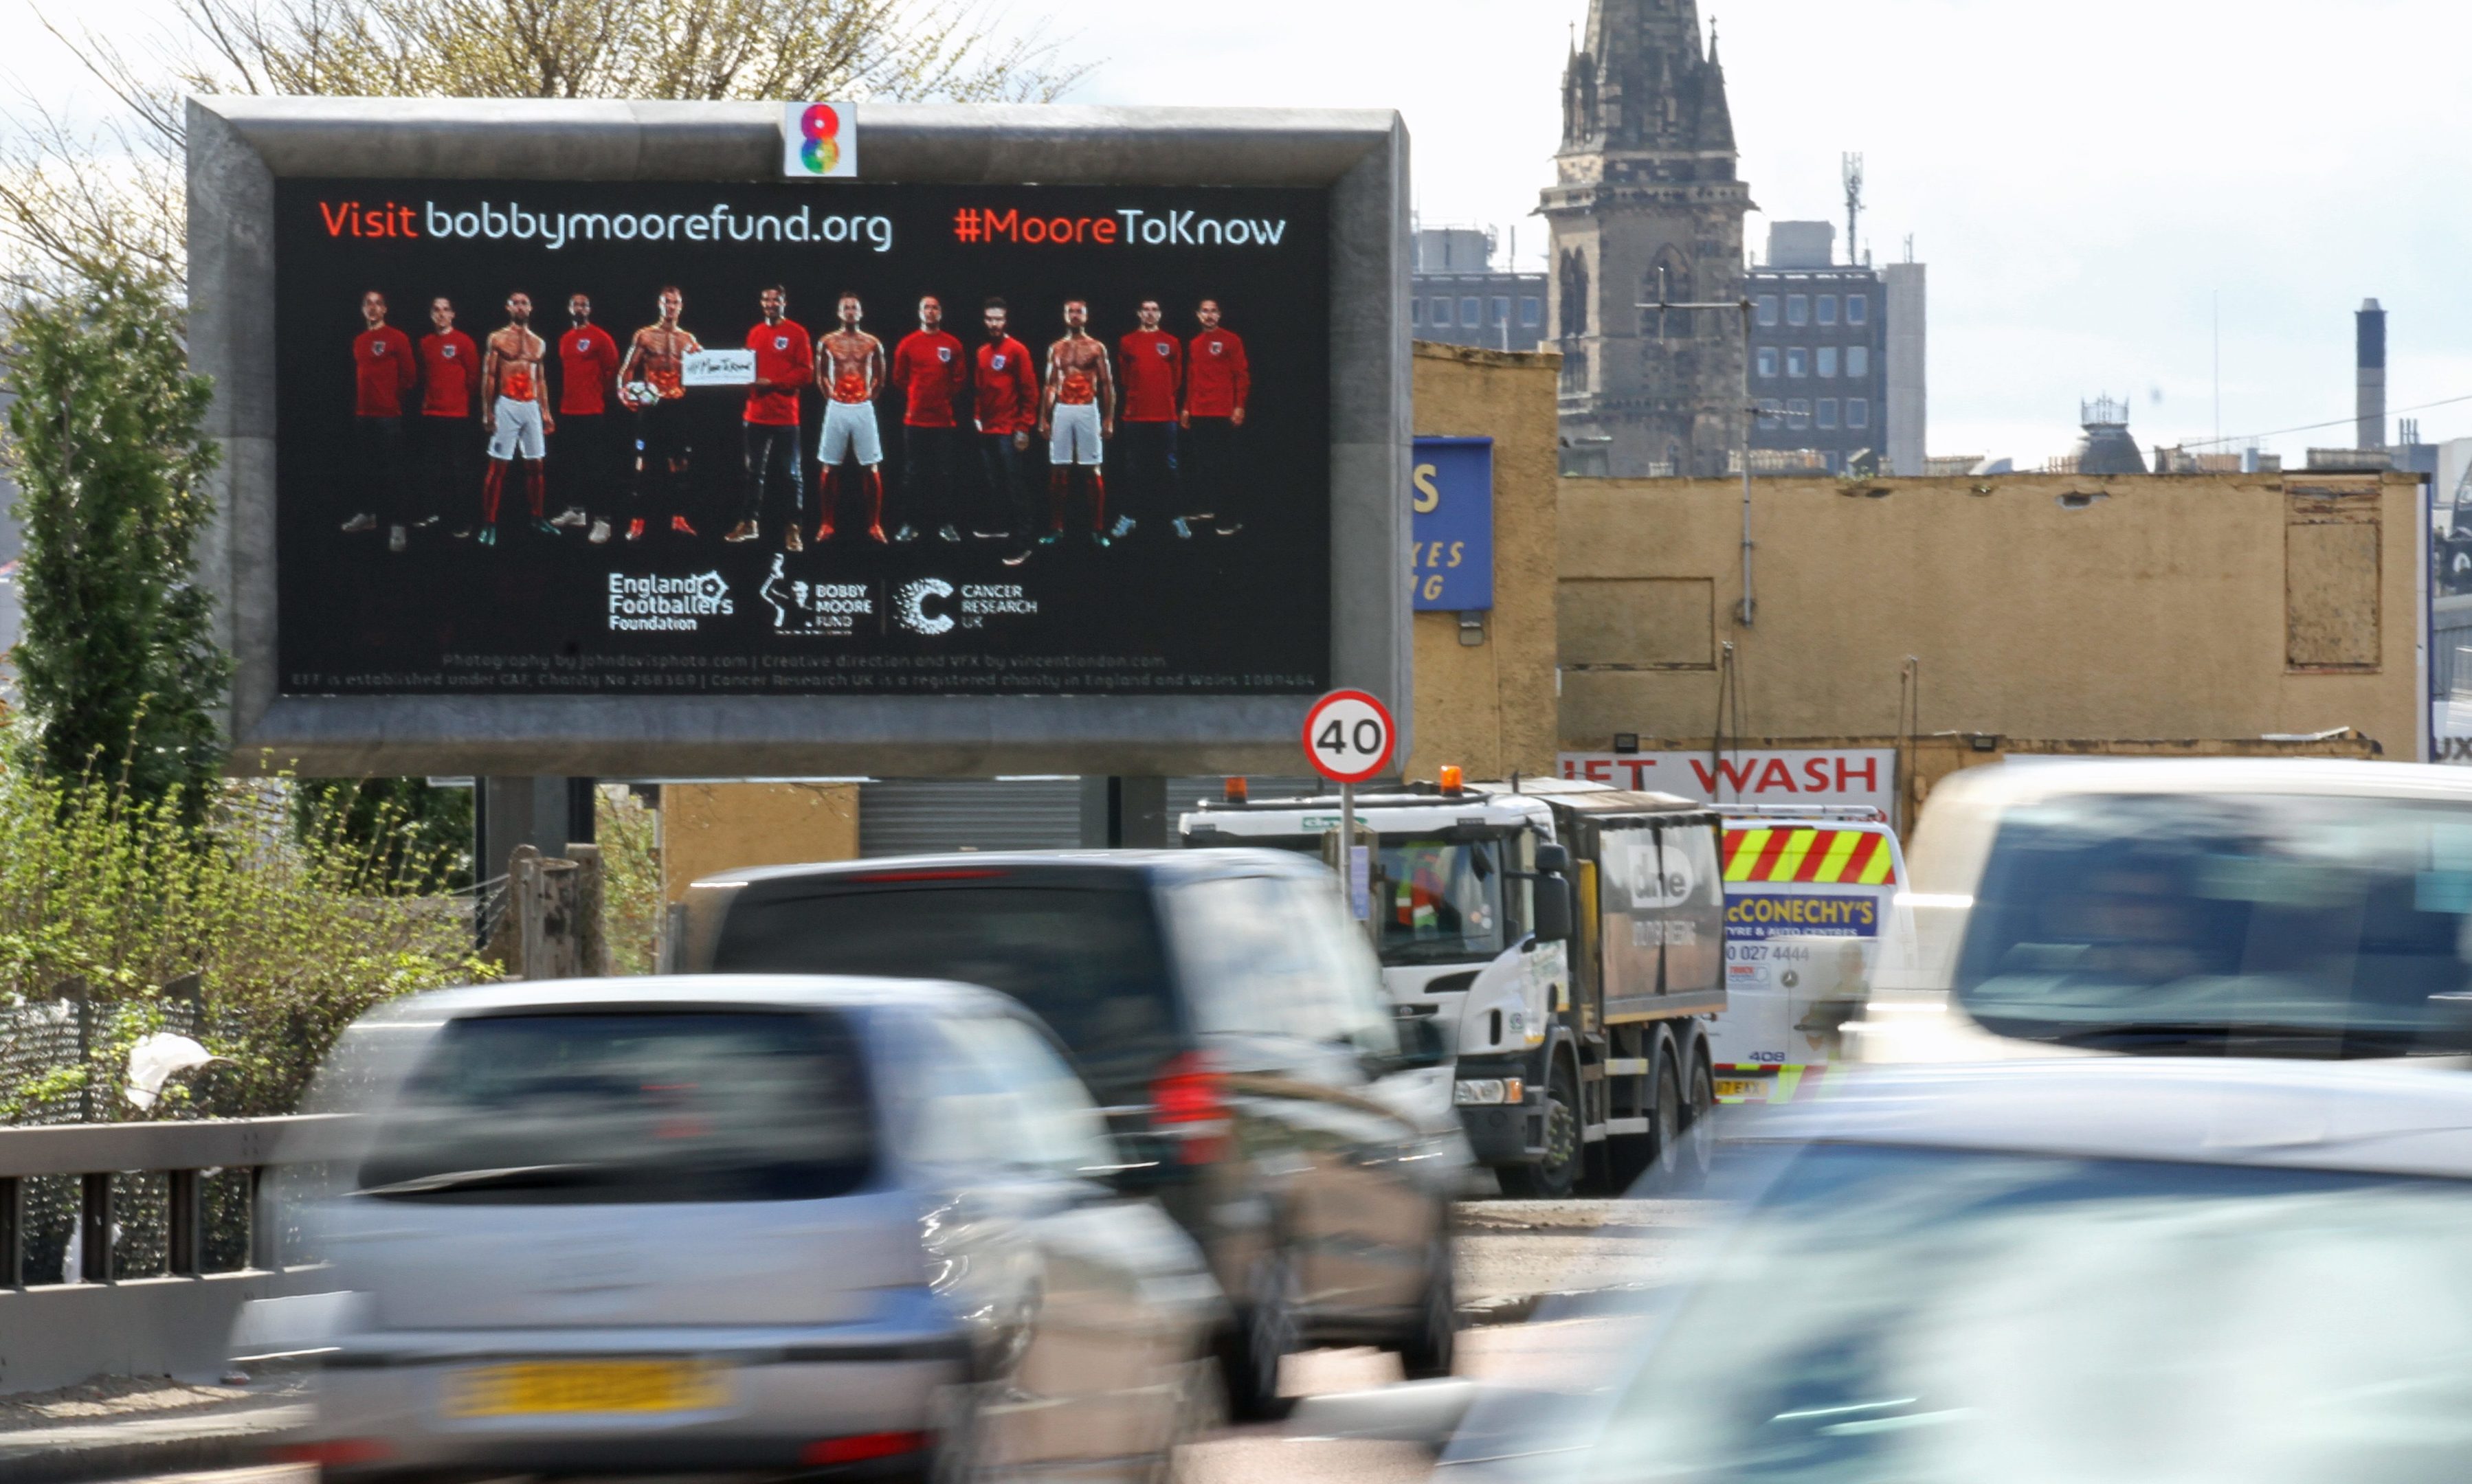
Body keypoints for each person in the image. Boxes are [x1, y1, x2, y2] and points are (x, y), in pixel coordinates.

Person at [727, 284, 813, 551]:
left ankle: (793, 530)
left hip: (786, 417)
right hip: (755, 415)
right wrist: (738, 378)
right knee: (754, 473)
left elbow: (806, 373)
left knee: (791, 475)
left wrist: (773, 383)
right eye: (766, 299)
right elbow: (745, 369)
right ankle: (750, 524)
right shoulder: (755, 332)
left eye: (776, 299)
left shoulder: (797, 333)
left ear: (784, 302)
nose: (770, 303)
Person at [618, 286, 702, 541]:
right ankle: (637, 522)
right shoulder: (645, 336)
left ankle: (679, 518)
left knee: (680, 464)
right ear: (660, 304)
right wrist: (624, 394)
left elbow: (706, 368)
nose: (671, 307)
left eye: (675, 302)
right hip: (651, 406)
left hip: (677, 405)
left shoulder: (688, 339)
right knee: (643, 463)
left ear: (681, 306)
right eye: (667, 302)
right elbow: (628, 369)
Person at [889, 294, 970, 543]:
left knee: (944, 474)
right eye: (927, 307)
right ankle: (910, 524)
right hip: (914, 421)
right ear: (920, 312)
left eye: (935, 307)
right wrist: (918, 395)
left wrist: (940, 397)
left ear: (941, 313)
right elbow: (899, 379)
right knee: (913, 474)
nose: (931, 311)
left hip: (944, 421)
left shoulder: (952, 344)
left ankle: (945, 524)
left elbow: (959, 379)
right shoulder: (908, 343)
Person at [478, 291, 556, 546]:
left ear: (531, 308)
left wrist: (546, 412)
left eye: (525, 303)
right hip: (507, 404)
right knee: (498, 466)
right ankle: (489, 523)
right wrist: (487, 411)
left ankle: (537, 516)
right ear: (508, 307)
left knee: (536, 465)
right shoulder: (498, 338)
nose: (521, 307)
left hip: (531, 405)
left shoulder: (539, 342)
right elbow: (489, 376)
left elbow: (541, 379)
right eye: (516, 303)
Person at [1038, 298, 1114, 548]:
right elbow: (1049, 385)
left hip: (1086, 409)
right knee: (1058, 471)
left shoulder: (1096, 347)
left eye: (1079, 312)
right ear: (1064, 315)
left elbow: (1106, 384)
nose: (1074, 315)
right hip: (1062, 409)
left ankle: (1099, 529)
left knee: (1092, 470)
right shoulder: (1056, 348)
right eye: (1070, 311)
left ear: (1086, 316)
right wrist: (1044, 418)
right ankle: (1056, 527)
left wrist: (1108, 417)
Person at [813, 291, 887, 543]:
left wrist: (867, 397)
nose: (850, 311)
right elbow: (821, 375)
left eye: (855, 307)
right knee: (829, 465)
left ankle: (875, 525)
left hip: (863, 407)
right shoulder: (827, 341)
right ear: (839, 312)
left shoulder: (872, 343)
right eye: (846, 307)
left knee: (871, 466)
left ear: (861, 312)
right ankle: (826, 524)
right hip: (837, 406)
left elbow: (880, 376)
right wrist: (833, 396)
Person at [970, 297, 1040, 567]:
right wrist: (977, 415)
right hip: (987, 429)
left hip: (1010, 430)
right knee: (994, 483)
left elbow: (1030, 392)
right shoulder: (982, 352)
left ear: (1006, 320)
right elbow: (979, 389)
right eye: (989, 319)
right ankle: (1000, 526)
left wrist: (1023, 428)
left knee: (1016, 486)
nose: (994, 324)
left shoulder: (1017, 350)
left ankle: (1025, 543)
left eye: (998, 319)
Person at [346, 290, 416, 544]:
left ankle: (398, 525)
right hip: (364, 414)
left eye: (377, 304)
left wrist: (391, 399)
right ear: (363, 309)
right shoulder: (360, 340)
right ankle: (368, 515)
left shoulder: (397, 337)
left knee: (393, 473)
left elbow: (409, 376)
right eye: (368, 304)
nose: (373, 308)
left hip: (389, 416)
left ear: (385, 309)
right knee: (367, 469)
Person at [551, 293, 622, 544]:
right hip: (569, 410)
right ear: (570, 309)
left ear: (589, 309)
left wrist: (602, 395)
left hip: (593, 411)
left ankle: (603, 521)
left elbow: (613, 369)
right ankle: (577, 512)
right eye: (575, 304)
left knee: (597, 468)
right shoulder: (565, 339)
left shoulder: (600, 337)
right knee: (571, 464)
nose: (579, 308)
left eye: (584, 304)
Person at [1179, 297, 1250, 537]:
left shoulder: (1231, 340)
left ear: (1219, 315)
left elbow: (1241, 375)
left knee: (1225, 468)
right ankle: (1207, 508)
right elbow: (1192, 377)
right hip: (1199, 412)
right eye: (1205, 311)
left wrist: (1239, 406)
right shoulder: (1195, 343)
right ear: (1198, 315)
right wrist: (1187, 407)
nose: (1209, 315)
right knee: (1203, 465)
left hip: (1223, 413)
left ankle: (1229, 519)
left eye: (1213, 312)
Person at [1114, 297, 1182, 543]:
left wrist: (1161, 397)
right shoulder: (1127, 341)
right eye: (1146, 310)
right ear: (1139, 313)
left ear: (1160, 314)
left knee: (1170, 468)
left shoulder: (1171, 342)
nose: (1150, 313)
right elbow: (1124, 378)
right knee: (1134, 469)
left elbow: (1176, 379)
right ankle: (1130, 517)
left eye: (1155, 310)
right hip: (1136, 416)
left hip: (1165, 415)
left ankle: (1175, 517)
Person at [415, 296, 480, 546]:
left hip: (457, 416)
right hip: (431, 414)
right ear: (432, 315)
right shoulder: (426, 343)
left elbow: (474, 377)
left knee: (459, 471)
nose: (441, 314)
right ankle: (435, 513)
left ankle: (463, 521)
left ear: (453, 315)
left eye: (446, 310)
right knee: (432, 468)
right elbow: (423, 375)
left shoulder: (464, 342)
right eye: (436, 310)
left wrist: (458, 400)